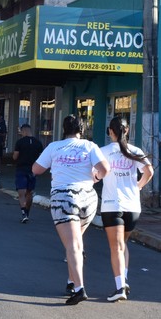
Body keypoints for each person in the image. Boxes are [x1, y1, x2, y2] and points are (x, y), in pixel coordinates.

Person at [33, 114, 109, 305]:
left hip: (64, 197)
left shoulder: (54, 147)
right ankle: (71, 281)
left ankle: (80, 288)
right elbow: (105, 169)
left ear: (63, 130)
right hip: (89, 199)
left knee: (72, 245)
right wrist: (96, 178)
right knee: (76, 243)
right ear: (81, 130)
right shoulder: (90, 146)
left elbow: (36, 170)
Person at [100, 116, 154, 302]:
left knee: (116, 247)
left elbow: (95, 174)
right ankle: (124, 279)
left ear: (110, 131)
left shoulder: (104, 152)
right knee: (122, 245)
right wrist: (138, 186)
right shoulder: (136, 150)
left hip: (111, 205)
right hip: (132, 206)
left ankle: (120, 288)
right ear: (127, 130)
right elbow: (150, 171)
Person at [12, 124, 43, 223]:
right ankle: (27, 213)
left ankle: (23, 213)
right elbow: (41, 158)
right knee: (29, 192)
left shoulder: (20, 142)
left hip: (21, 168)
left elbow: (15, 157)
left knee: (21, 193)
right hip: (33, 170)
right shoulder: (38, 143)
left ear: (24, 131)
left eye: (21, 132)